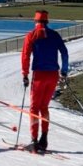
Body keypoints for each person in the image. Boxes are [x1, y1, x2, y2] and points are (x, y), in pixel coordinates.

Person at [20, 10, 68, 153]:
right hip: (53, 75)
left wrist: (25, 74)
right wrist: (64, 70)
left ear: (35, 21)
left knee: (34, 108)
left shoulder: (31, 35)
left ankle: (34, 141)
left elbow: (25, 56)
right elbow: (64, 52)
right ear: (47, 21)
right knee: (44, 107)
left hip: (39, 75)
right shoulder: (55, 35)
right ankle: (44, 138)